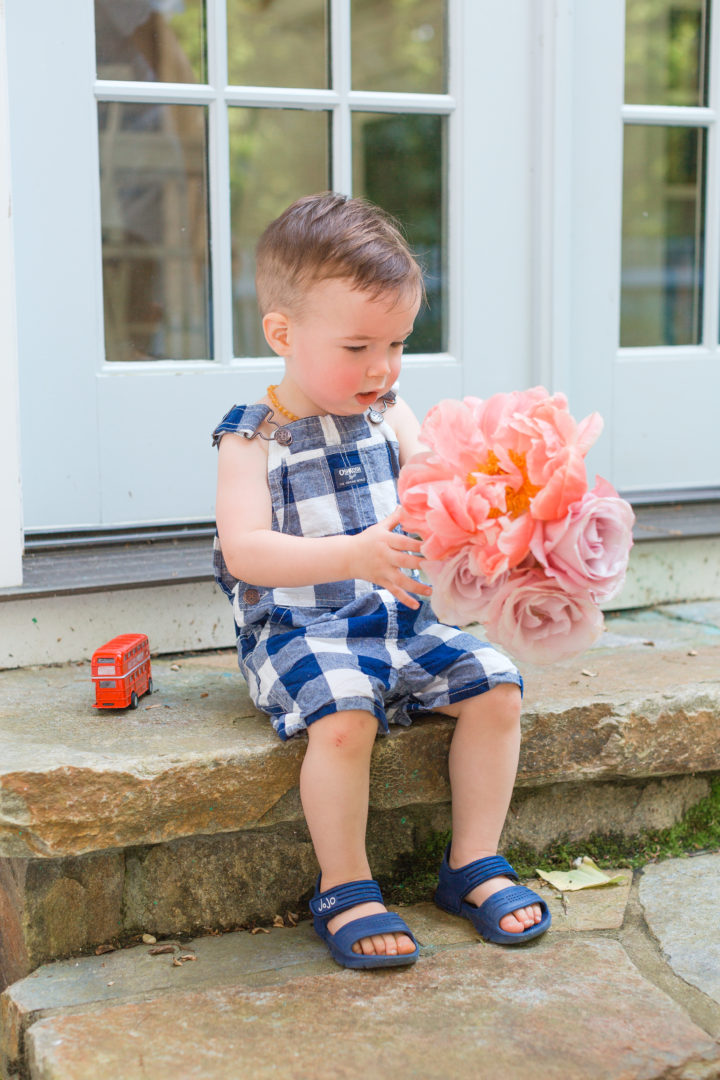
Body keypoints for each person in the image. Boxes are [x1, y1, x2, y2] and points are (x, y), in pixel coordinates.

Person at [212, 192, 550, 969]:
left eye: (397, 344)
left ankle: (472, 862)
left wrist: (500, 509)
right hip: (302, 628)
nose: (383, 367)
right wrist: (351, 555)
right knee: (345, 719)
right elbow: (246, 552)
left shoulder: (389, 410)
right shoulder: (250, 436)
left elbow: (442, 482)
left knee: (498, 686)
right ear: (282, 333)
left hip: (402, 618)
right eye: (359, 347)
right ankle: (347, 884)